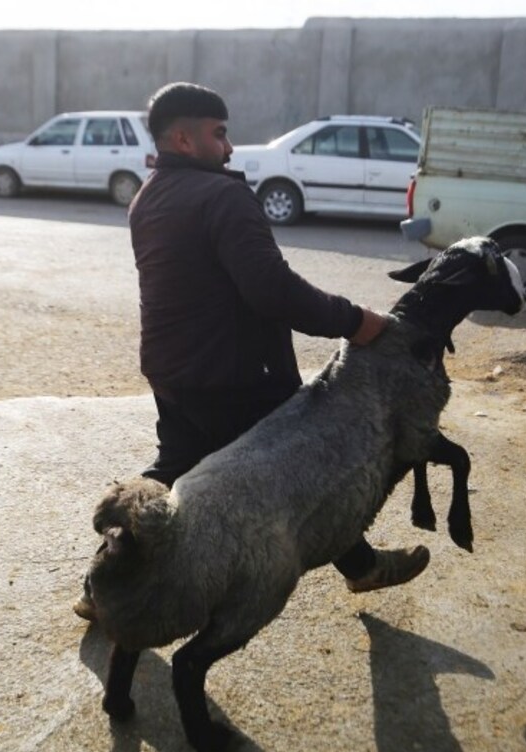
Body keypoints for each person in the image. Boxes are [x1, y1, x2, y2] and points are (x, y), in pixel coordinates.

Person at [74, 82, 429, 620]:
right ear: (184, 139)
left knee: (172, 470)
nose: (230, 146)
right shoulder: (221, 196)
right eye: (219, 134)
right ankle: (362, 568)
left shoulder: (150, 194)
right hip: (237, 375)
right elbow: (272, 288)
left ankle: (98, 590)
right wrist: (356, 322)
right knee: (310, 468)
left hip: (175, 369)